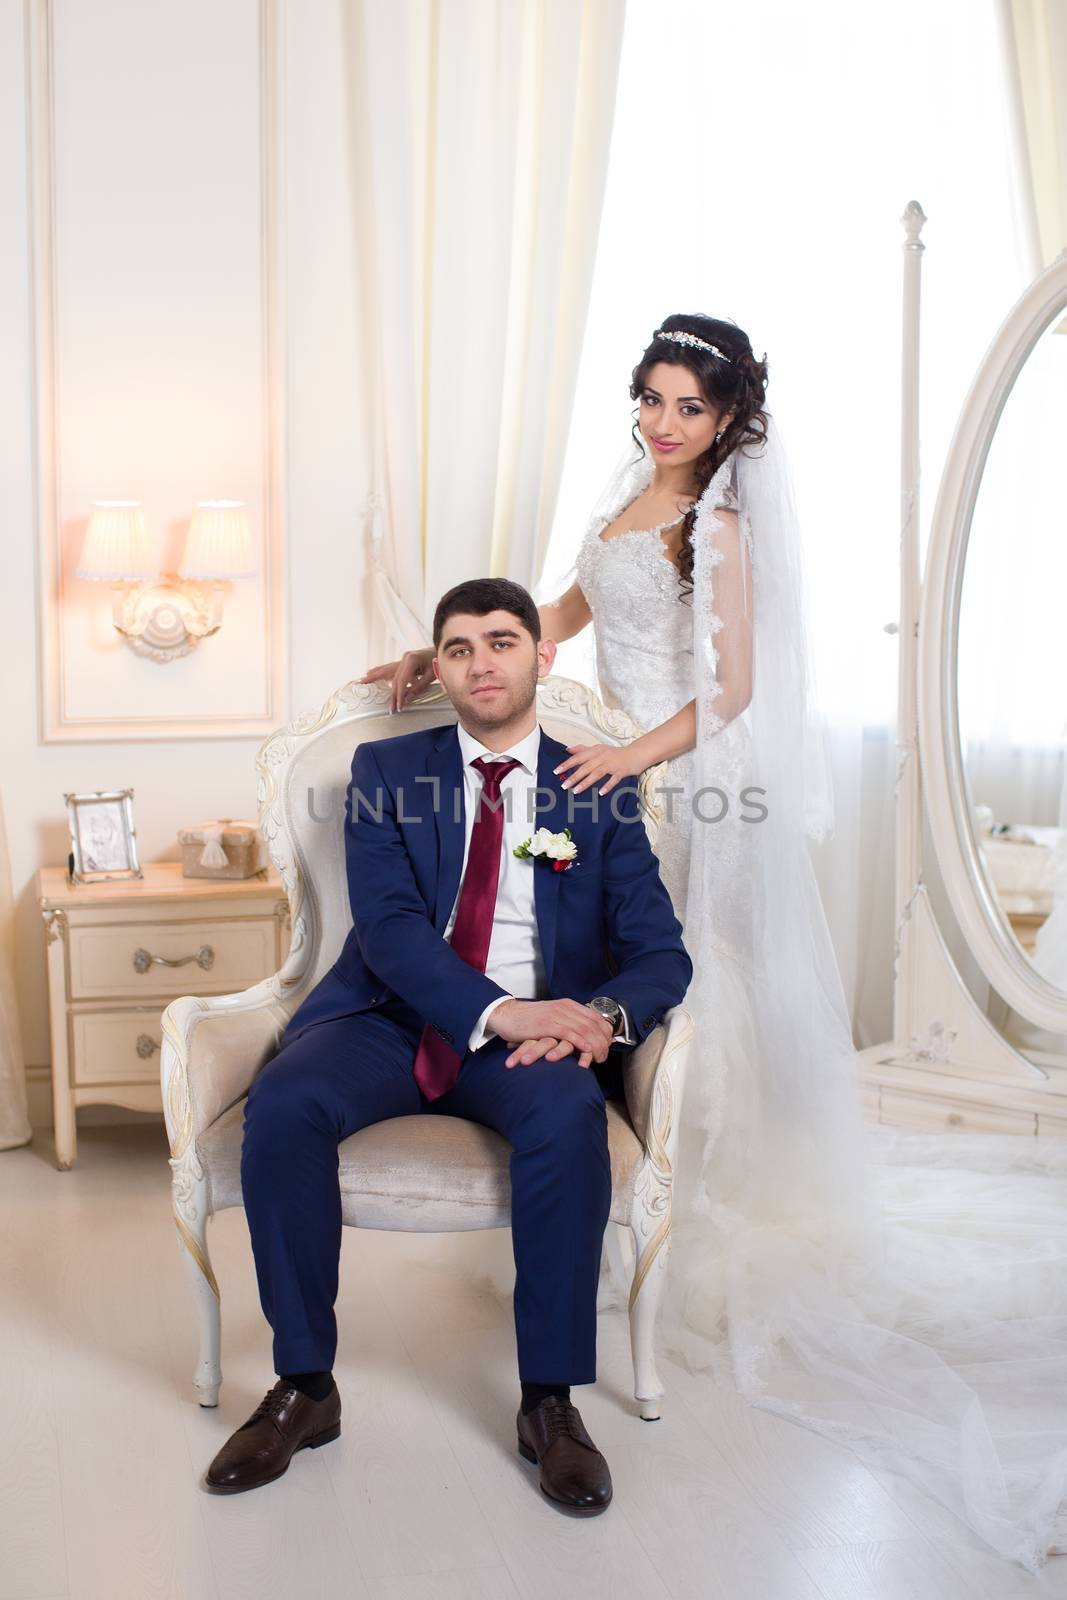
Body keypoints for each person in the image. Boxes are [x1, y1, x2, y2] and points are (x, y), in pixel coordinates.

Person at [362, 315, 1067, 1573]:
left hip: (674, 770)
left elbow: (734, 686)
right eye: (647, 398)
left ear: (732, 417)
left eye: (685, 406)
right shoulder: (631, 490)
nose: (659, 422)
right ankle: (587, 1186)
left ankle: (690, 1220)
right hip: (594, 754)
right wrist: (445, 656)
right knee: (573, 969)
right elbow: (565, 611)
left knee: (677, 993)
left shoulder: (721, 526)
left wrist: (632, 755)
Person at [206, 577, 693, 1513]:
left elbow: (657, 952)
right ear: (439, 667)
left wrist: (599, 1022)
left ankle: (548, 1400)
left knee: (564, 1119)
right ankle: (306, 1387)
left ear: (541, 657)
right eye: (459, 648)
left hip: (537, 1040)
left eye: (502, 642)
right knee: (286, 1105)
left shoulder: (595, 787)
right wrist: (497, 1011)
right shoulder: (389, 777)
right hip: (390, 1018)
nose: (481, 663)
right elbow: (387, 929)